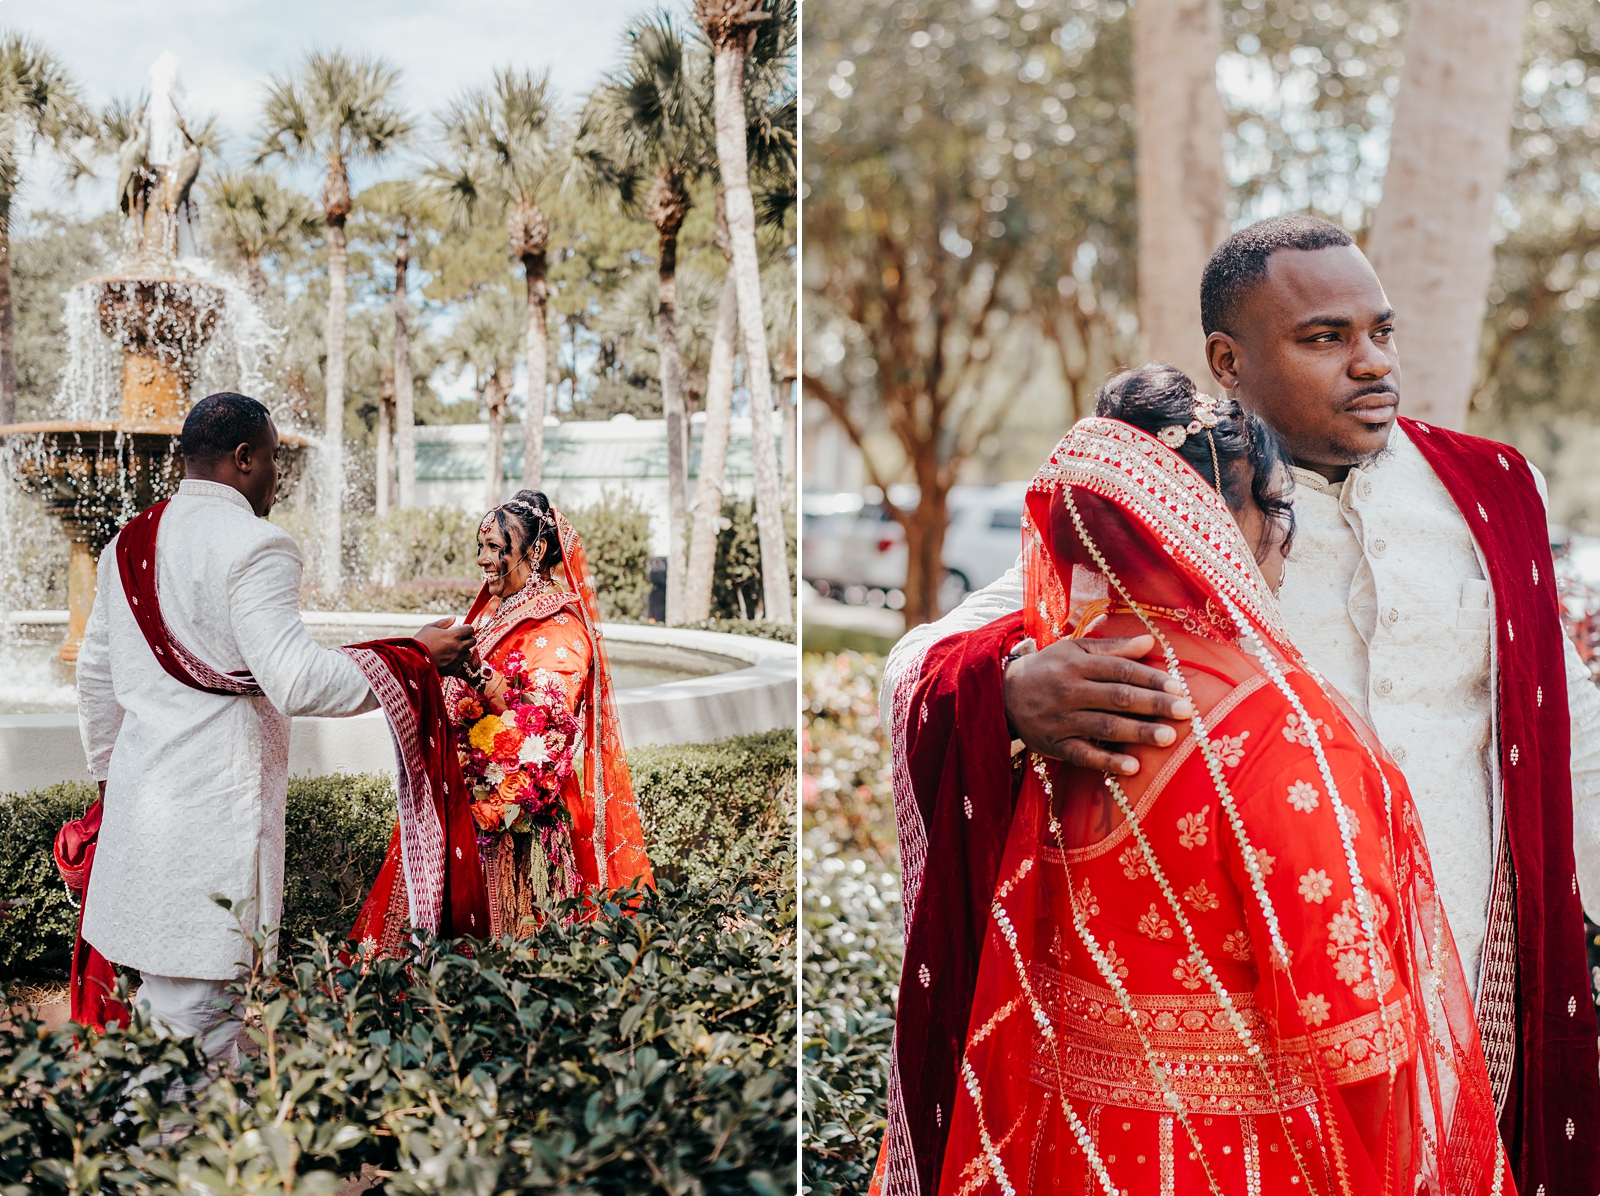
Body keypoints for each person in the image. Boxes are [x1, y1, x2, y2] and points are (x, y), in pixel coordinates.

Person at [881, 215, 1600, 1193]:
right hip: (1264, 1036)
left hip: (1471, 976)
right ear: (1229, 359)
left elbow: (1571, 737)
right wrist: (1006, 689)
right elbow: (926, 653)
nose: (1371, 363)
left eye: (1380, 332)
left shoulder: (1488, 490)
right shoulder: (1175, 508)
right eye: (1324, 338)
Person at [69, 391, 479, 1060]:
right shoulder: (257, 544)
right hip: (211, 825)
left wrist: (114, 782)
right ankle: (161, 1159)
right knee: (200, 1024)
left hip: (140, 820)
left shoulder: (127, 542)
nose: (279, 476)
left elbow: (94, 681)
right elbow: (297, 681)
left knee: (162, 1015)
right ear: (243, 458)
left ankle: (149, 1148)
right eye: (274, 459)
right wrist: (414, 659)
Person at [350, 491, 653, 949]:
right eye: (481, 547)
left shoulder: (559, 626)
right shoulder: (499, 613)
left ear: (533, 551)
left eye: (495, 548)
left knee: (499, 955)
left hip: (510, 822)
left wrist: (473, 673)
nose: (483, 560)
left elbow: (546, 721)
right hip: (462, 799)